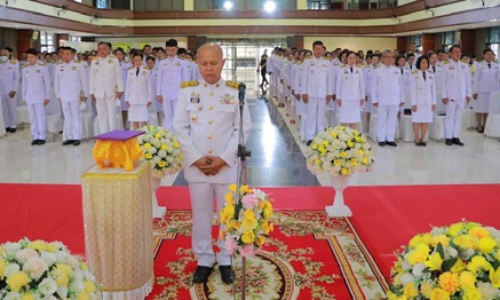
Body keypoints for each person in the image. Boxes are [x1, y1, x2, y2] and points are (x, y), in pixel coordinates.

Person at [173, 43, 251, 285]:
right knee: (201, 214)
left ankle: (226, 258)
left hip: (226, 166)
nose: (209, 68)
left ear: (223, 63)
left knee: (228, 215)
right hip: (197, 166)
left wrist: (224, 158)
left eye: (214, 63)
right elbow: (179, 127)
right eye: (204, 63)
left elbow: (243, 127)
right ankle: (204, 259)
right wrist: (195, 158)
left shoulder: (234, 91)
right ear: (197, 64)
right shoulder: (187, 91)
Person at [301, 41, 334, 146]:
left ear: (323, 50)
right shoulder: (307, 62)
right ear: (313, 49)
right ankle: (310, 137)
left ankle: (320, 136)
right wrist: (304, 93)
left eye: (320, 49)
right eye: (316, 49)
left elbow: (329, 79)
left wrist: (329, 93)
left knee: (321, 115)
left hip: (323, 93)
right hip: (311, 93)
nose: (318, 51)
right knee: (311, 115)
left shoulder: (327, 63)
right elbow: (304, 78)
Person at [54, 47, 88, 146]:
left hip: (75, 96)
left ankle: (77, 137)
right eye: (63, 54)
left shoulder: (78, 65)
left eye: (68, 54)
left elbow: (84, 81)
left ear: (72, 55)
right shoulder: (58, 66)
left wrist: (84, 95)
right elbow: (57, 83)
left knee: (76, 116)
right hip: (64, 96)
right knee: (67, 117)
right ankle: (69, 136)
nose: (65, 56)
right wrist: (58, 96)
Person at [371, 50, 405, 147]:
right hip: (382, 99)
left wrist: (402, 98)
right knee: (381, 119)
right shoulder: (377, 71)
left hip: (394, 99)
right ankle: (381, 138)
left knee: (392, 119)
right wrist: (374, 99)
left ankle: (390, 138)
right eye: (388, 57)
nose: (390, 59)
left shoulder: (397, 70)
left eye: (392, 57)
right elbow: (373, 86)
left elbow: (401, 86)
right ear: (383, 58)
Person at [89, 41, 124, 134]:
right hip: (98, 92)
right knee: (101, 115)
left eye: (104, 48)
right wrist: (91, 92)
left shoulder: (114, 60)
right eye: (99, 49)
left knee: (112, 114)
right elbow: (92, 77)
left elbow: (118, 75)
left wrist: (120, 89)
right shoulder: (94, 61)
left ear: (109, 50)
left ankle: (112, 134)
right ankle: (104, 135)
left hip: (112, 91)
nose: (102, 51)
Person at [156, 39, 190, 131]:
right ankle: (170, 136)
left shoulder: (182, 62)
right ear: (165, 50)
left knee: (178, 116)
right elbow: (160, 79)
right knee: (168, 116)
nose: (171, 52)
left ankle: (178, 135)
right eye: (168, 50)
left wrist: (185, 94)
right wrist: (158, 93)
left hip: (178, 93)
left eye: (173, 50)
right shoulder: (162, 63)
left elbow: (185, 80)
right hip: (166, 93)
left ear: (177, 49)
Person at [441, 45, 472, 146]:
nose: (458, 54)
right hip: (450, 96)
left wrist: (468, 94)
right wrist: (444, 95)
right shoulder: (446, 65)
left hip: (461, 96)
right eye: (455, 52)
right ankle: (448, 137)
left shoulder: (465, 65)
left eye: (459, 52)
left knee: (458, 117)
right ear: (450, 53)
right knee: (450, 116)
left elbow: (468, 81)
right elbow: (443, 82)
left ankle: (456, 136)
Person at [22, 48, 51, 145]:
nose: (30, 59)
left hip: (40, 96)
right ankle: (35, 136)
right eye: (28, 57)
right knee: (32, 117)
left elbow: (47, 83)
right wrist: (24, 96)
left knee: (40, 116)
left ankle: (42, 136)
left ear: (36, 57)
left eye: (32, 57)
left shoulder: (42, 66)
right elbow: (24, 84)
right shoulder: (25, 67)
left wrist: (47, 96)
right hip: (29, 96)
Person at [410, 55, 436, 146]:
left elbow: (433, 89)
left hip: (428, 101)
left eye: (426, 63)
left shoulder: (431, 74)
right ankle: (417, 138)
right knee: (417, 120)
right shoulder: (414, 73)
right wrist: (413, 103)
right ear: (419, 63)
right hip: (418, 101)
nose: (425, 65)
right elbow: (413, 89)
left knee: (426, 120)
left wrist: (434, 102)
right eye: (423, 63)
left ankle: (423, 138)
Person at [335, 51, 365, 130]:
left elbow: (361, 85)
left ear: (356, 59)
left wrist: (362, 97)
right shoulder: (342, 69)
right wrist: (338, 97)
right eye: (350, 58)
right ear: (346, 59)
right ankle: (344, 137)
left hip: (356, 98)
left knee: (354, 119)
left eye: (354, 58)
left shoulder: (359, 70)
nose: (352, 60)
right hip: (344, 98)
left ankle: (352, 137)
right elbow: (338, 84)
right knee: (344, 119)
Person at [472, 48, 500, 133]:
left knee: (488, 110)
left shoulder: (496, 65)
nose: (489, 55)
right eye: (487, 54)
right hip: (481, 90)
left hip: (492, 90)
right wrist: (475, 91)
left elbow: (497, 79)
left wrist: (498, 91)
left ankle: (485, 125)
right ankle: (479, 125)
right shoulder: (479, 65)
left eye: (491, 54)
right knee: (480, 109)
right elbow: (476, 79)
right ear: (484, 55)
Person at [125, 53, 153, 130]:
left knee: (143, 120)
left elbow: (149, 86)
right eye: (135, 60)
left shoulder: (146, 72)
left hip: (143, 100)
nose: (137, 62)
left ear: (142, 60)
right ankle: (135, 137)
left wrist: (150, 99)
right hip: (132, 100)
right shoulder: (129, 72)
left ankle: (143, 137)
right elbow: (127, 86)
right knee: (134, 120)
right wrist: (126, 99)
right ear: (133, 61)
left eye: (139, 60)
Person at [0, 48, 20, 133]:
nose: (3, 56)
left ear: (9, 55)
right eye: (1, 55)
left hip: (11, 90)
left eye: (5, 55)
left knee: (12, 109)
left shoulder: (14, 64)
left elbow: (16, 78)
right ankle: (6, 125)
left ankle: (13, 125)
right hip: (1, 91)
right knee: (4, 109)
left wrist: (14, 90)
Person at [116, 48, 132, 129]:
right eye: (117, 55)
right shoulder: (111, 65)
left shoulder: (127, 65)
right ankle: (117, 126)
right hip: (115, 90)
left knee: (124, 109)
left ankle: (124, 125)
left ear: (123, 55)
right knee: (115, 109)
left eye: (120, 54)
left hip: (124, 89)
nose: (118, 56)